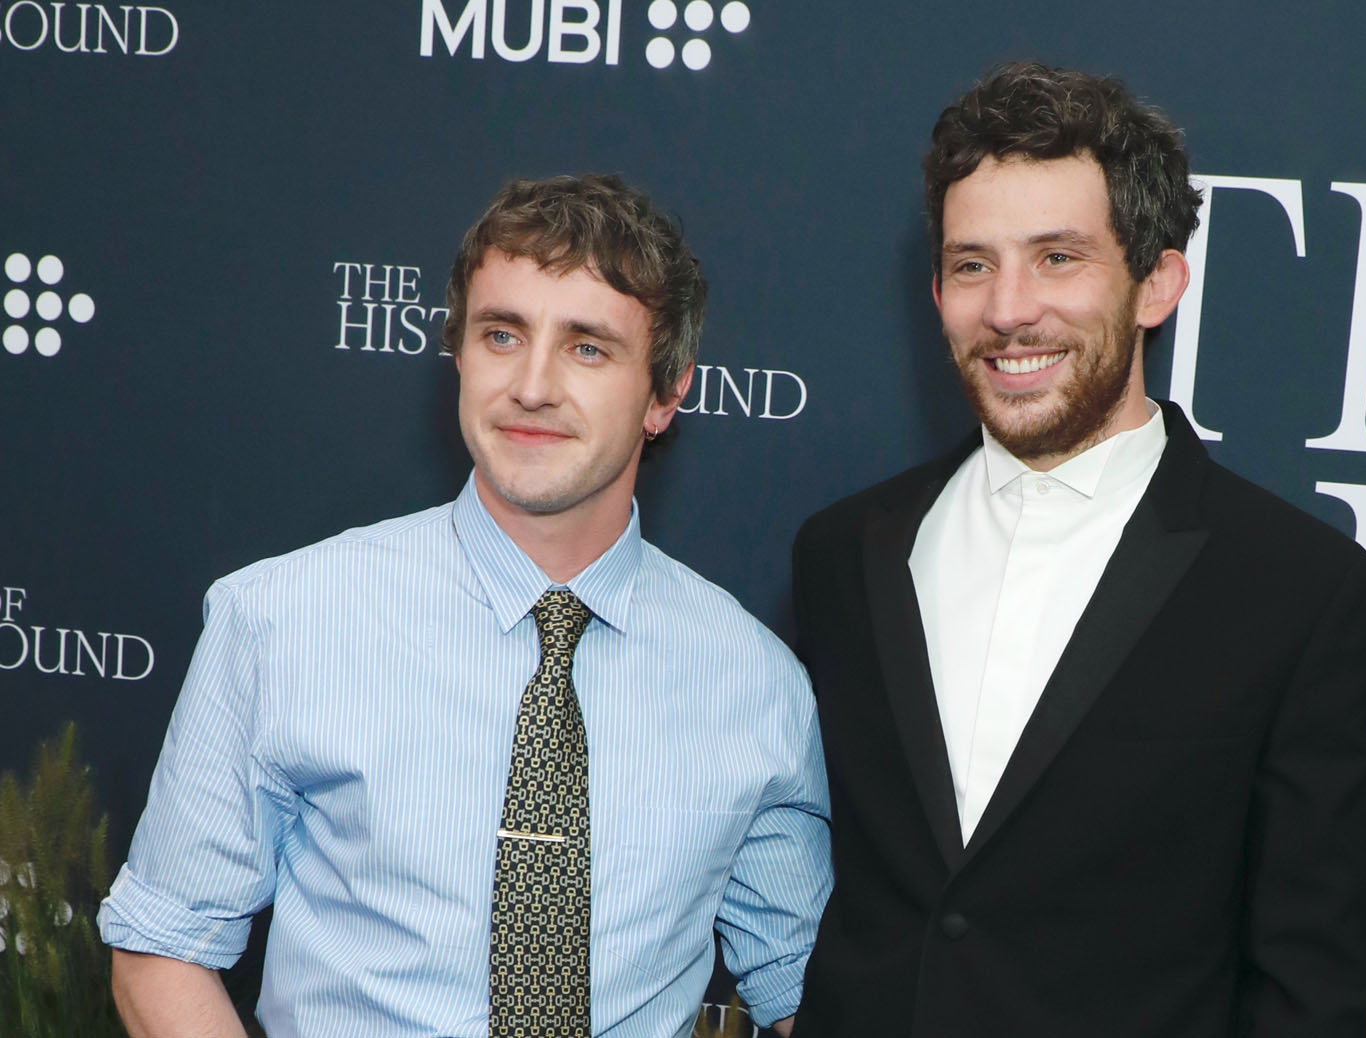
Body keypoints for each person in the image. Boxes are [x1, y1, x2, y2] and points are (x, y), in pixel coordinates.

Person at [100, 174, 831, 1038]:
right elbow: (163, 948)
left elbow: (804, 988)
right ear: (458, 354)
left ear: (665, 395)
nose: (532, 385)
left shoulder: (755, 683)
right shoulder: (282, 620)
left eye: (587, 348)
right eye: (501, 335)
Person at [791, 62, 1366, 1037]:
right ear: (935, 289)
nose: (1008, 309)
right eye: (973, 265)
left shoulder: (1300, 593)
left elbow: (1309, 992)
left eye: (1057, 258)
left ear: (1157, 283)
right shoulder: (843, 554)